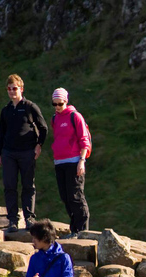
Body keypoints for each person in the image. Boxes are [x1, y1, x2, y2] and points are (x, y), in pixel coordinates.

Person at [0, 74, 48, 233]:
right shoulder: (5, 110)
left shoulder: (30, 107)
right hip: (9, 153)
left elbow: (43, 127)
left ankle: (29, 218)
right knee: (9, 186)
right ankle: (12, 220)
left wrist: (39, 145)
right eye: (9, 89)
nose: (12, 91)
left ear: (21, 89)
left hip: (27, 152)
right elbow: (1, 133)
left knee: (28, 185)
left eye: (15, 88)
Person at [50, 88, 92, 239]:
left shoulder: (76, 116)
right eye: (54, 104)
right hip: (59, 162)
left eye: (60, 104)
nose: (57, 107)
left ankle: (82, 230)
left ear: (66, 101)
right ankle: (74, 229)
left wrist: (82, 161)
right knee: (65, 197)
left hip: (74, 161)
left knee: (76, 196)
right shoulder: (55, 118)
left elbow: (84, 140)